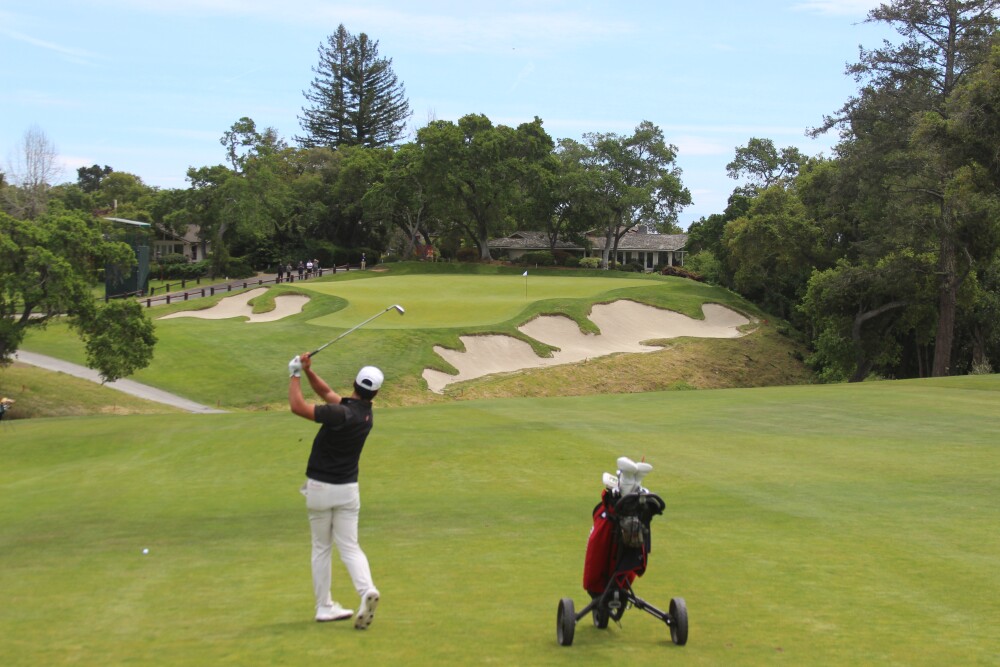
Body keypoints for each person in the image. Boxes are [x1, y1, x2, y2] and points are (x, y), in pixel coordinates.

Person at [288, 352, 382, 628]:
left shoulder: (338, 413)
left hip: (319, 489)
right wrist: (307, 370)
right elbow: (327, 392)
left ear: (354, 383)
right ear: (374, 393)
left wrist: (293, 373)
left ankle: (324, 606)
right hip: (348, 490)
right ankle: (367, 591)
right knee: (350, 546)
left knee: (321, 548)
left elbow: (298, 407)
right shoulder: (364, 414)